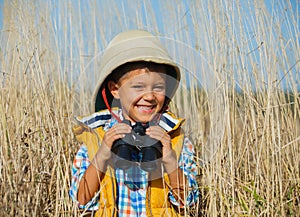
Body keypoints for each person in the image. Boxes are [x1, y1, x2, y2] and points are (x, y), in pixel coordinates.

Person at [69, 30, 199, 216]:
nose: (149, 96)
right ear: (115, 90)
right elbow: (79, 201)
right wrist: (103, 154)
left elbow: (189, 203)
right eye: (138, 87)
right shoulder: (95, 139)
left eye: (159, 87)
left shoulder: (176, 139)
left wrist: (169, 160)